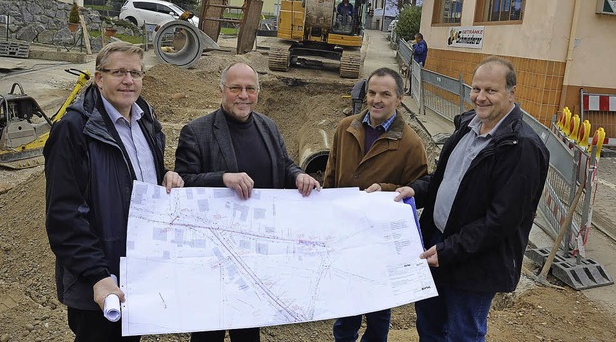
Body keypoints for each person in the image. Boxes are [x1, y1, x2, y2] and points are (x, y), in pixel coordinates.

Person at [395, 56, 550, 341]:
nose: (480, 97)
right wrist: (416, 190)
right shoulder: (467, 125)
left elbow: (501, 220)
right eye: (476, 88)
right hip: (438, 246)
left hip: (476, 263)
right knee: (428, 325)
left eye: (491, 90)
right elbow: (444, 178)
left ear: (511, 93)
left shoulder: (522, 147)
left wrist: (450, 250)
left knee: (462, 333)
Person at [44, 41, 184, 342]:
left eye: (135, 73)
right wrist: (97, 276)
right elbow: (64, 215)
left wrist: (166, 176)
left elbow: (138, 179)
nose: (129, 81)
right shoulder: (74, 129)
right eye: (119, 72)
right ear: (99, 78)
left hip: (139, 272)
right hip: (100, 282)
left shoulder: (146, 122)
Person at [174, 62, 321, 342]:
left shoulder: (268, 126)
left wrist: (299, 175)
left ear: (257, 92)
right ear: (221, 90)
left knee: (248, 328)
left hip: (257, 250)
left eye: (250, 89)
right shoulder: (196, 131)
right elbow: (184, 182)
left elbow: (284, 164)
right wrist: (223, 178)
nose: (243, 95)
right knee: (208, 330)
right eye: (236, 88)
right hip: (215, 253)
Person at [324, 67, 429, 342]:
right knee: (346, 305)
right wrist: (324, 214)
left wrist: (385, 190)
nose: (376, 100)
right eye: (372, 93)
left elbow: (418, 190)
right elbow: (331, 175)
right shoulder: (346, 128)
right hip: (346, 234)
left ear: (399, 99)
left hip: (382, 243)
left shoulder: (410, 144)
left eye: (385, 94)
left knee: (378, 309)